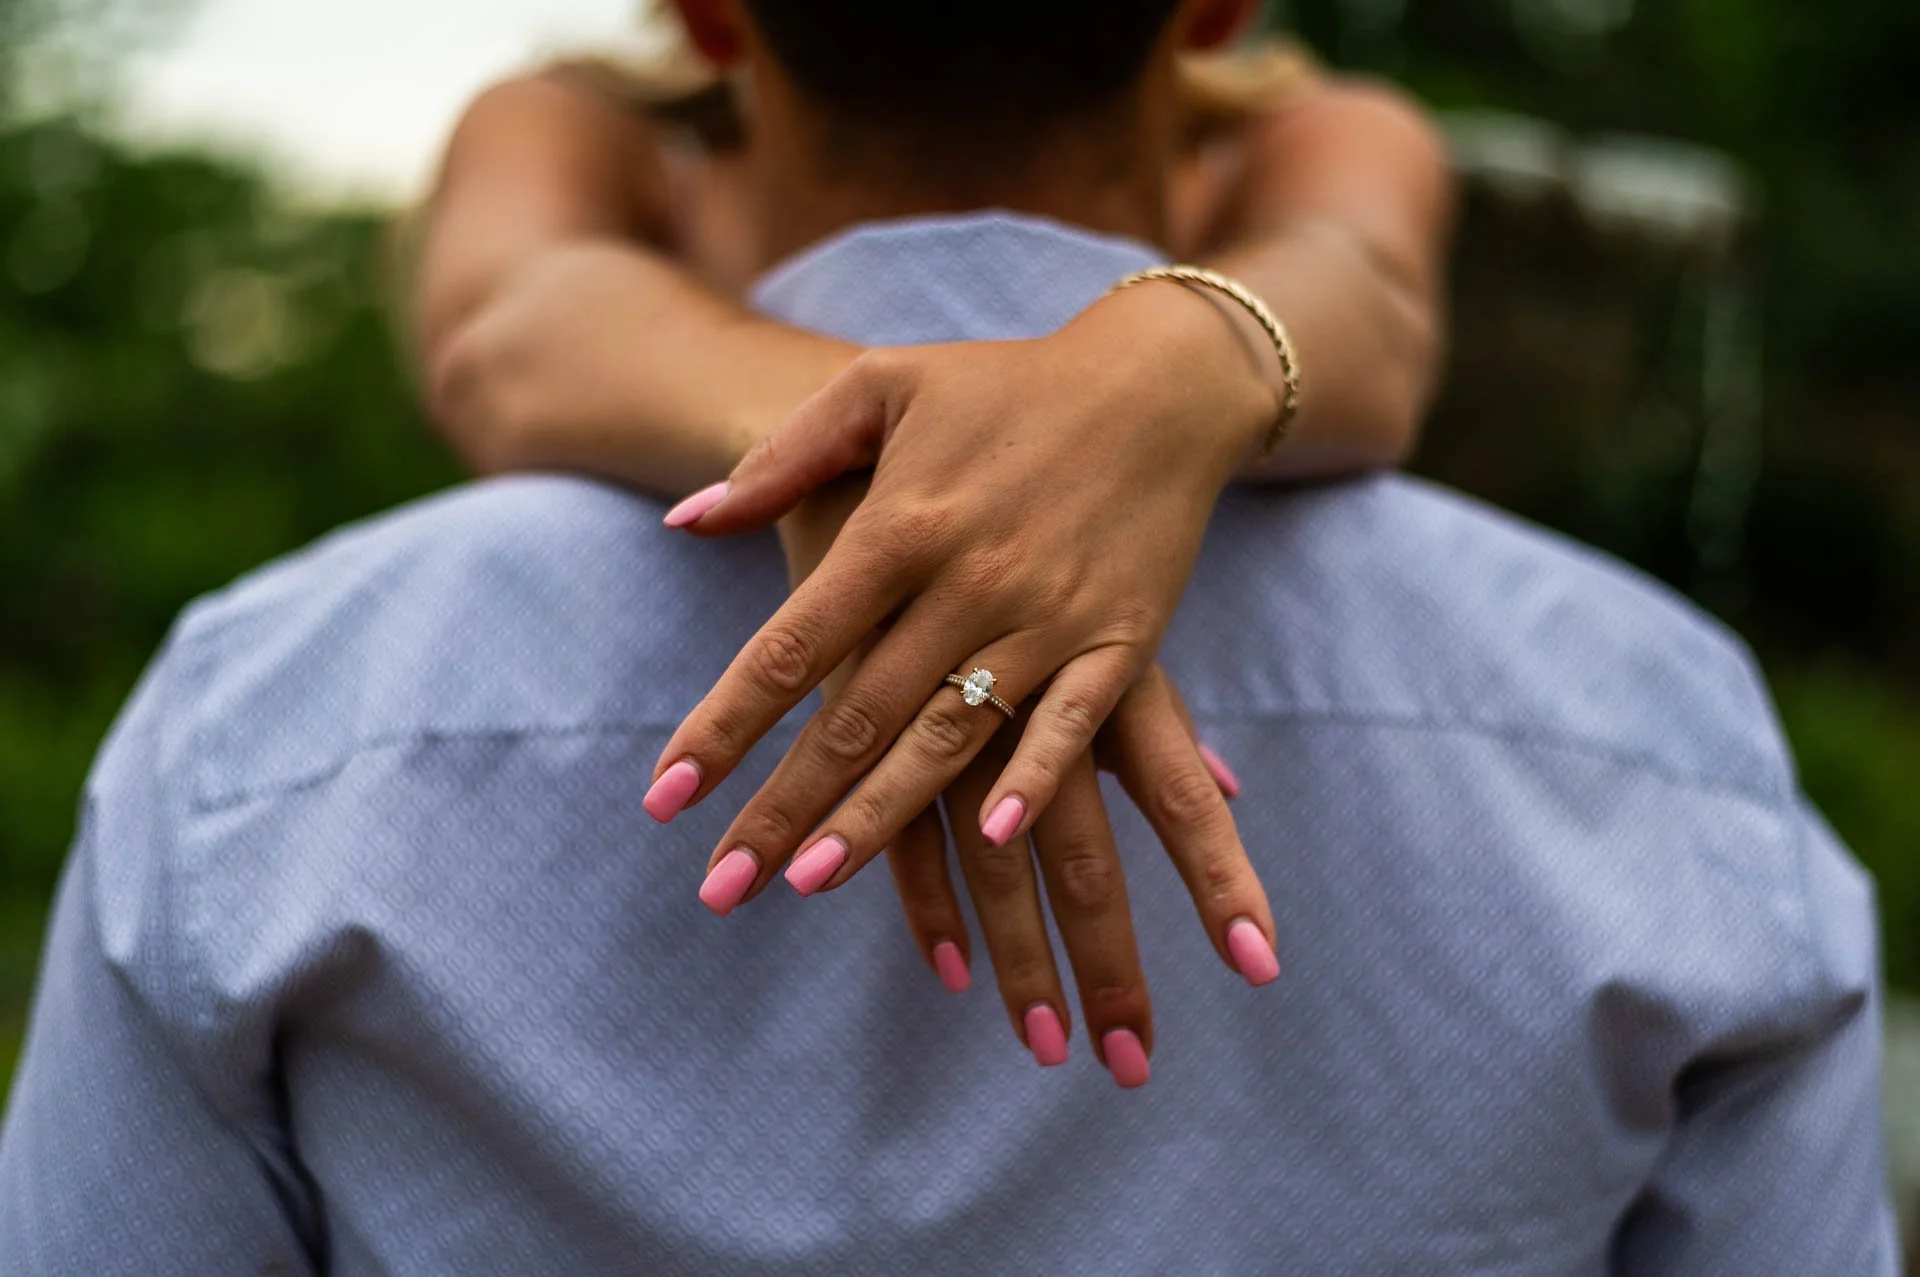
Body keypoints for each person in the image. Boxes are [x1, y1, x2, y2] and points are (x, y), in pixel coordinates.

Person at [0, 0, 1898, 1271]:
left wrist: (1156, 376)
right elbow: (513, 321)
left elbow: (1364, 312)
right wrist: (970, 469)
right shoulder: (1657, 733)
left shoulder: (269, 724)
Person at [412, 2, 1455, 1047]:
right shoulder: (578, 123)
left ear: (707, 15)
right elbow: (509, 321)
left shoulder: (1317, 133)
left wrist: (1162, 376)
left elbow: (1366, 291)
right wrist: (940, 472)